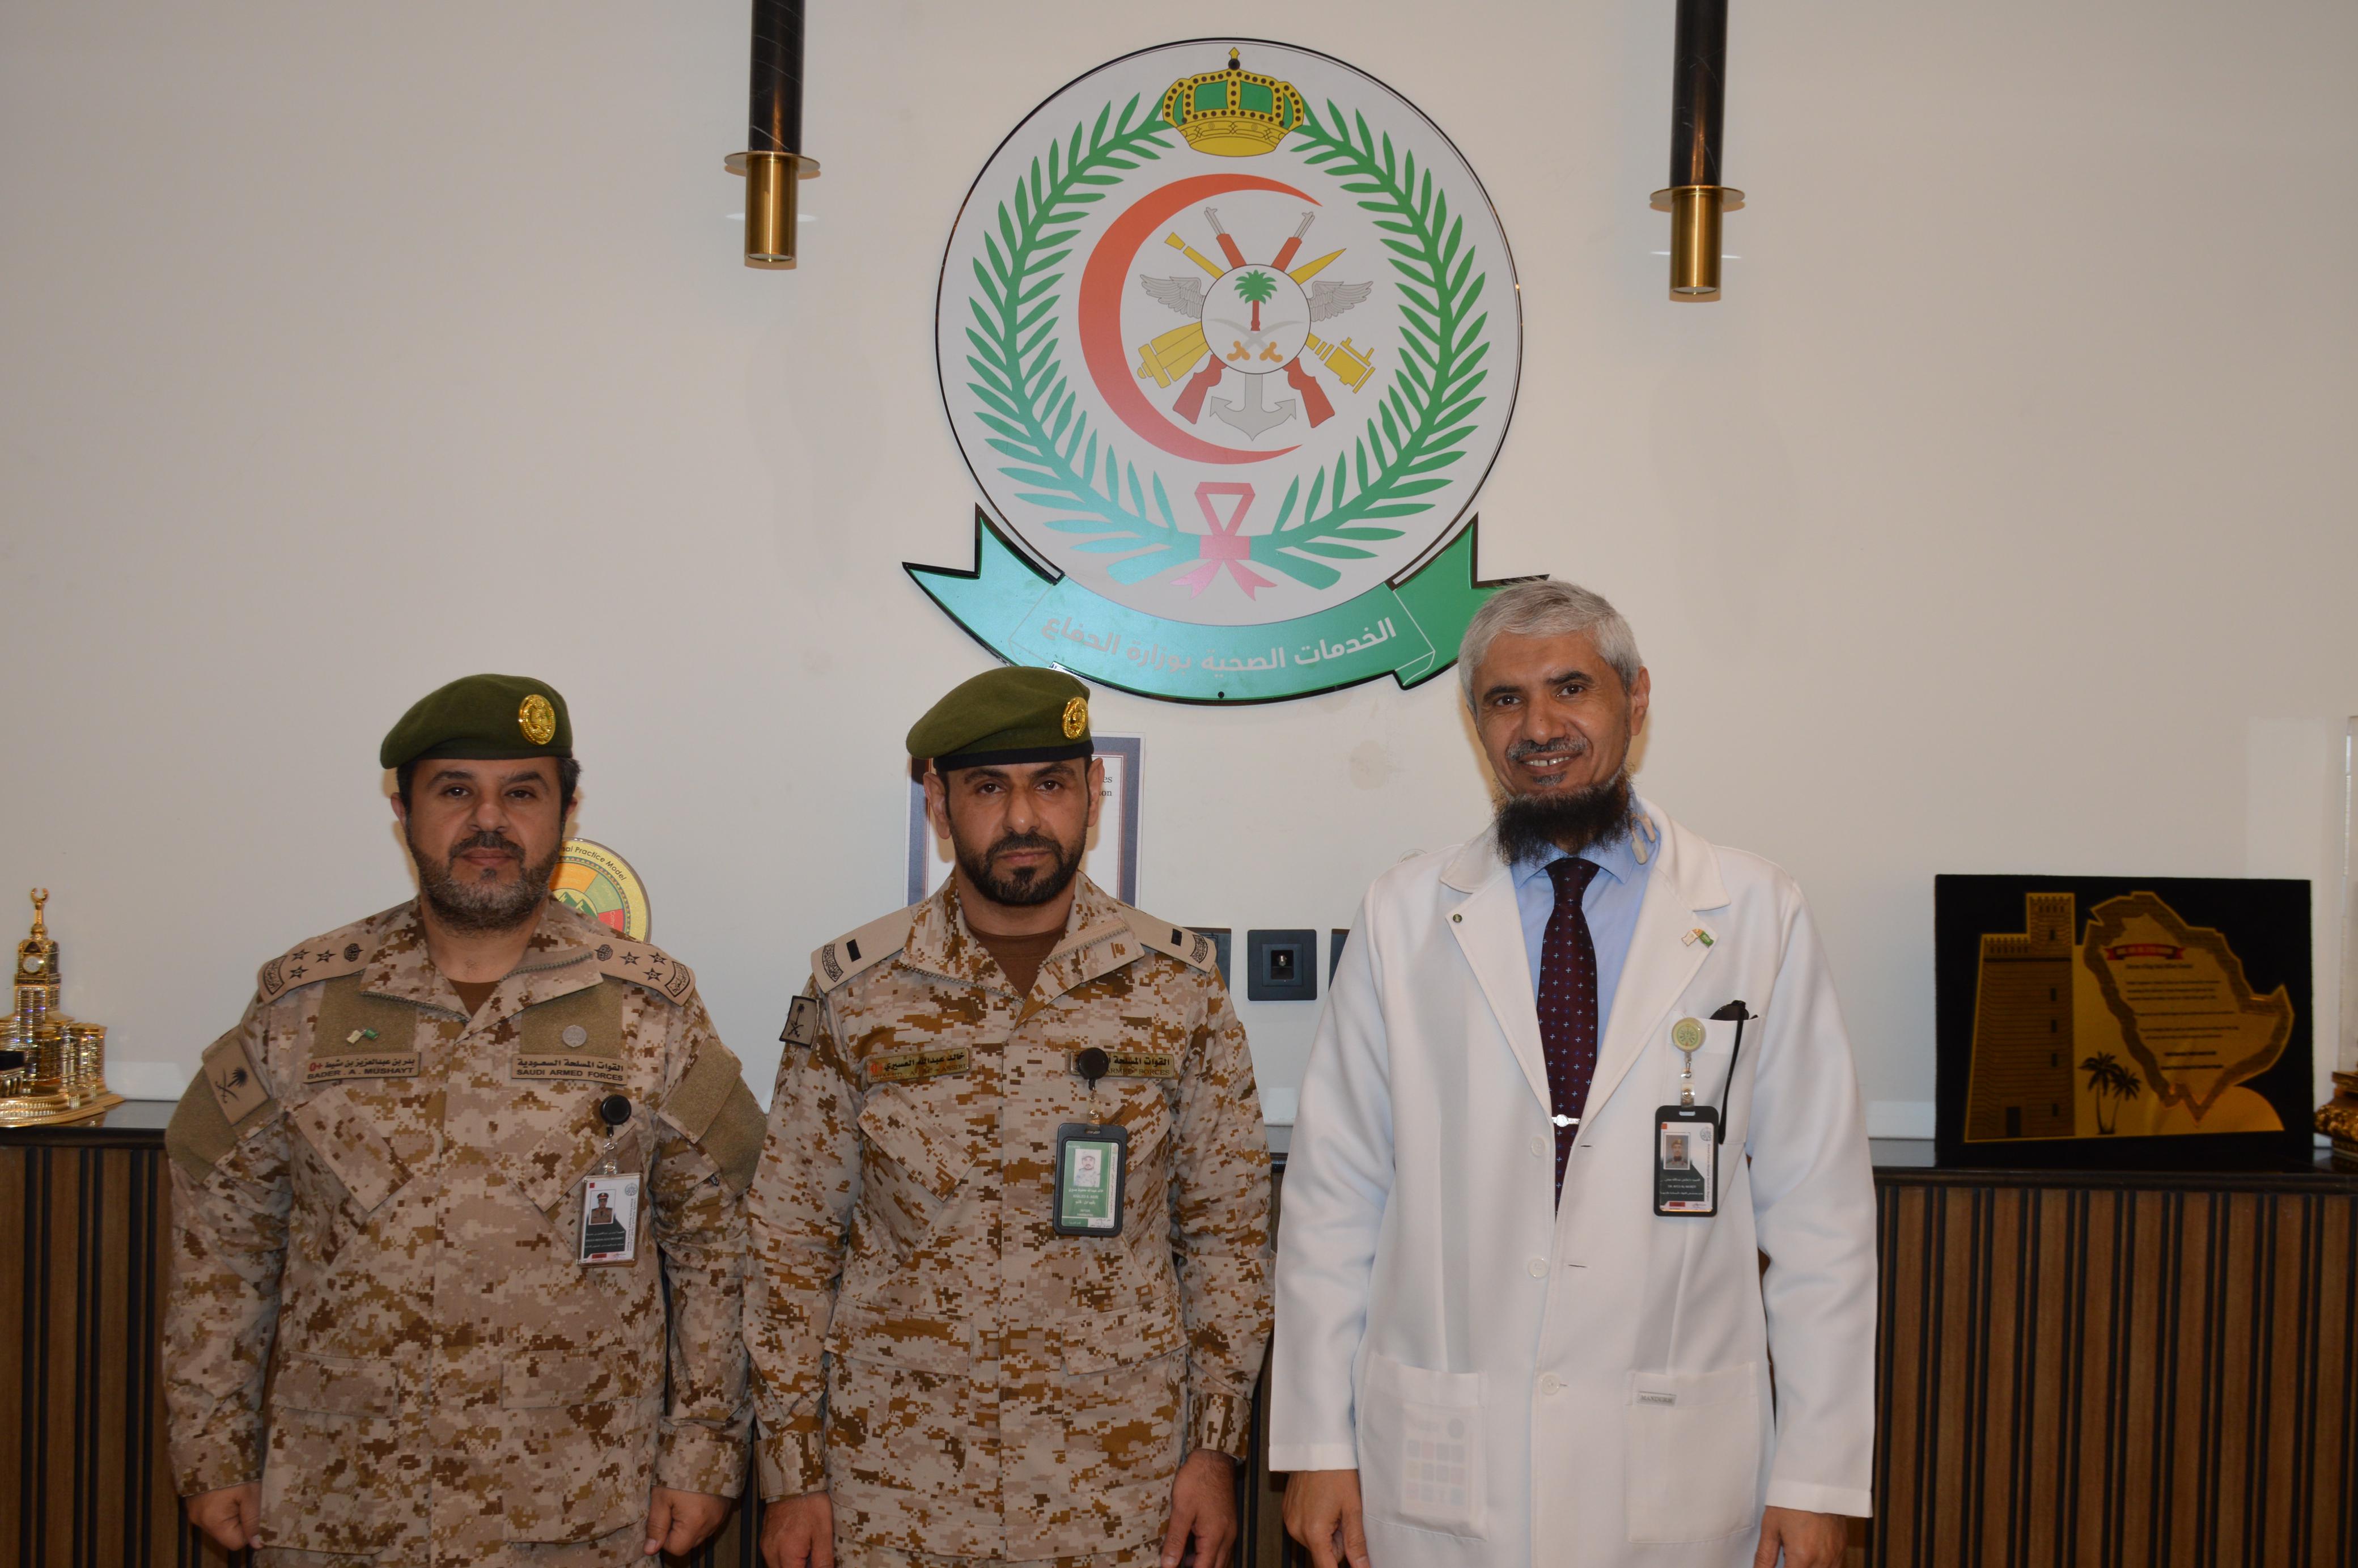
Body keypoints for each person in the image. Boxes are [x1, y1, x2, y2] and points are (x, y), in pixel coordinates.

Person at [1271, 582, 1876, 1568]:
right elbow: (1334, 1200)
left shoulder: (1757, 913)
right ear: (1476, 722)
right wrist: (1316, 1442)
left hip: (1674, 1458)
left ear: (1636, 700)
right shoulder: (1403, 914)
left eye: (1570, 688)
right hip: (1443, 1458)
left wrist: (1818, 1476)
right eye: (1505, 699)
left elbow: (1823, 1219)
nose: (1540, 727)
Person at [164, 673, 765, 1565]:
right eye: (455, 791)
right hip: (342, 1507)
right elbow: (223, 1236)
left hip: (579, 1510)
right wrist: (213, 1447)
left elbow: (719, 1242)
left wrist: (705, 1450)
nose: (490, 821)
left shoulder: (651, 1008)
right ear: (403, 811)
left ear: (565, 812)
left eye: (522, 793)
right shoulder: (302, 1004)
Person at [747, 666, 1273, 1568]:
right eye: (989, 788)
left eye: (1051, 784)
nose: (1023, 818)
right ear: (938, 801)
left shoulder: (1178, 988)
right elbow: (789, 1241)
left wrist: (1215, 1452)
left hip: (1121, 1491)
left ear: (1094, 790)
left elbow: (1227, 1235)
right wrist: (794, 1475)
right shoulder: (858, 995)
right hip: (898, 1494)